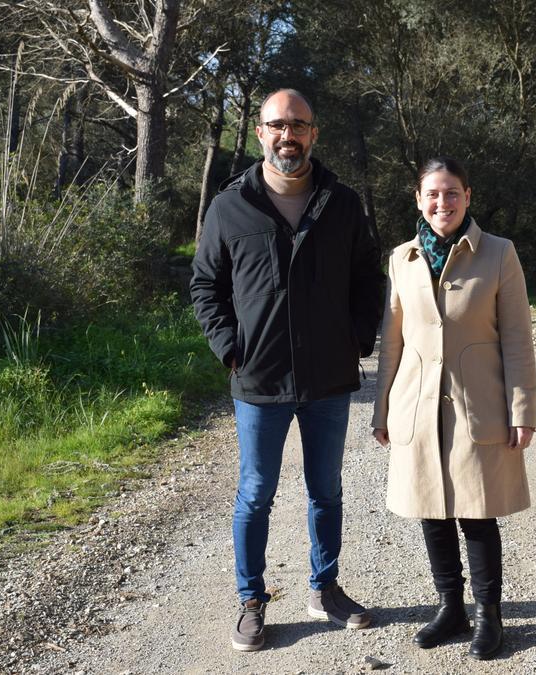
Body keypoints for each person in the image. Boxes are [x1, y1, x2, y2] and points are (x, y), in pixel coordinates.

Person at [191, 88, 384, 653]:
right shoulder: (230, 207)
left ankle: (324, 589)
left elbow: (367, 280)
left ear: (313, 133)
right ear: (260, 132)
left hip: (328, 380)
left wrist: (356, 339)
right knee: (255, 494)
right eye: (277, 125)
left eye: (298, 125)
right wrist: (231, 349)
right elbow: (206, 286)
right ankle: (251, 600)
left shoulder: (342, 204)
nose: (288, 135)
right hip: (259, 380)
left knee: (326, 490)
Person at [371, 156, 536, 660]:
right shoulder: (402, 259)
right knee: (431, 511)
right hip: (417, 407)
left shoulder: (500, 254)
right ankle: (451, 608)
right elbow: (392, 341)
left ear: (468, 197)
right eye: (433, 194)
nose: (442, 203)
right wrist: (382, 411)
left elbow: (517, 338)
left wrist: (522, 410)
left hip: (478, 405)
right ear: (419, 200)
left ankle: (490, 615)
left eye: (452, 193)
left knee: (477, 513)